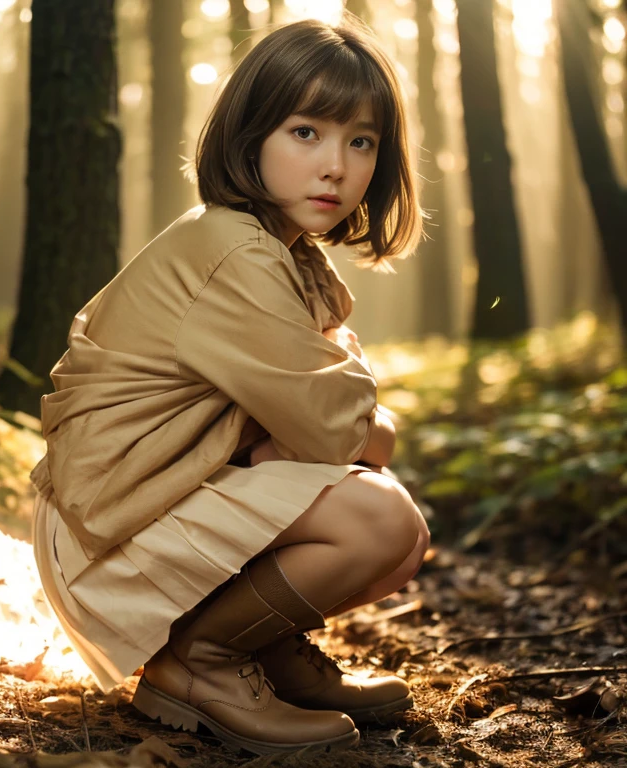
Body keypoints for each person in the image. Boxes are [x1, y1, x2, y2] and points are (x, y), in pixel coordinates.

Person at [30, 13, 430, 757]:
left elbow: (338, 425)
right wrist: (325, 423)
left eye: (361, 141)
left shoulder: (289, 258)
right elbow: (345, 428)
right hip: (106, 534)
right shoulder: (232, 252)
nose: (336, 166)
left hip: (145, 507)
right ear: (250, 135)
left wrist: (325, 424)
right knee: (382, 523)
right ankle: (199, 664)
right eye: (306, 131)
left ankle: (262, 650)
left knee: (383, 520)